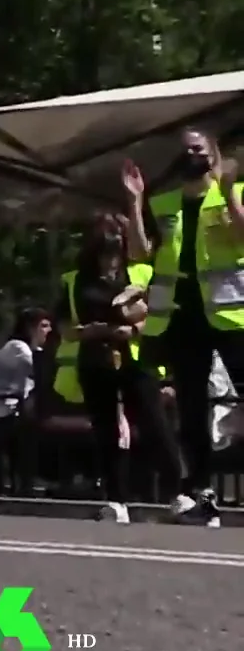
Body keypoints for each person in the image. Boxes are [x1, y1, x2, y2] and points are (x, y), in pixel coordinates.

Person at [123, 128, 244, 526]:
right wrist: (136, 201)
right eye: (184, 150)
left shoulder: (235, 192)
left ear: (214, 154)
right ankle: (201, 492)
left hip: (231, 316)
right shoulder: (164, 204)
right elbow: (141, 253)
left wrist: (228, 192)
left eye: (198, 149)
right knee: (191, 408)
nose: (190, 155)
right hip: (182, 316)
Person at [55, 213, 187, 524]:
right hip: (95, 358)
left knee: (155, 424)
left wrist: (135, 330)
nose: (109, 261)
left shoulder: (139, 272)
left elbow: (159, 313)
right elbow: (64, 324)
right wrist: (86, 331)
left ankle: (177, 493)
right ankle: (116, 500)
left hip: (134, 359)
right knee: (106, 432)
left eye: (114, 252)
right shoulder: (74, 280)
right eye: (103, 253)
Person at [0, 307, 52, 421]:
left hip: (12, 408)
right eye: (44, 326)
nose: (50, 330)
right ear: (30, 328)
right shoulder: (17, 348)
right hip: (2, 413)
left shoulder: (28, 348)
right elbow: (40, 373)